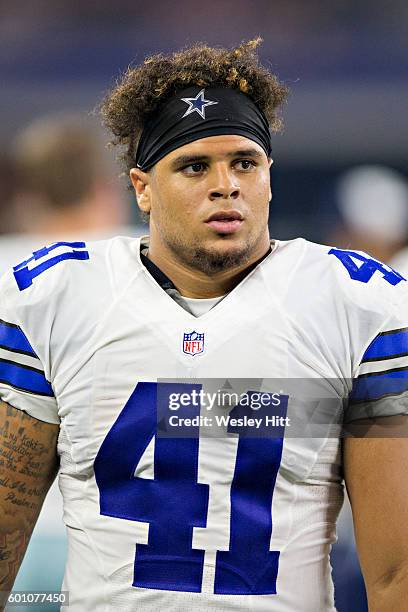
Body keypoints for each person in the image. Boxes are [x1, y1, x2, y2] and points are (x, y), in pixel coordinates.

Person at [1, 39, 408, 612]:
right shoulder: (56, 298)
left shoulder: (356, 304)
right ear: (141, 188)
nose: (226, 185)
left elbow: (396, 571)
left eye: (244, 162)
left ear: (269, 174)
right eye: (194, 166)